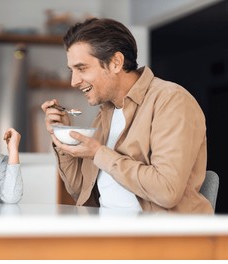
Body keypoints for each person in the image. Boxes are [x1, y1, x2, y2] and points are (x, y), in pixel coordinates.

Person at [41, 18, 213, 213]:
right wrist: (63, 135)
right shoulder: (105, 113)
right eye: (71, 70)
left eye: (81, 68)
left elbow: (167, 191)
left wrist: (99, 153)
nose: (73, 81)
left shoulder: (171, 101)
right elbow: (81, 191)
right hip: (109, 231)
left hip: (159, 237)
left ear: (115, 62)